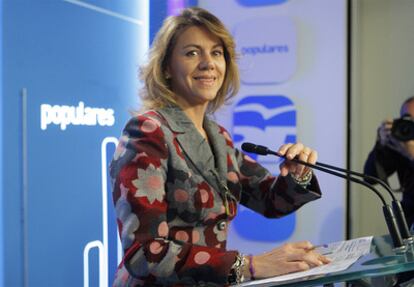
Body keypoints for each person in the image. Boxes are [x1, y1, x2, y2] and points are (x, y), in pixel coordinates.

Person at [110, 7, 330, 286]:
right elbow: (144, 253)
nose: (208, 63)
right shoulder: (147, 132)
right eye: (192, 53)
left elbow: (269, 201)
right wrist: (249, 265)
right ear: (166, 67)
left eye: (216, 53)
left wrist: (298, 174)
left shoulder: (219, 137)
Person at [364, 96, 414, 229]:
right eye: (407, 119)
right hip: (409, 222)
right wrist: (381, 144)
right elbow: (369, 178)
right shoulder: (399, 145)